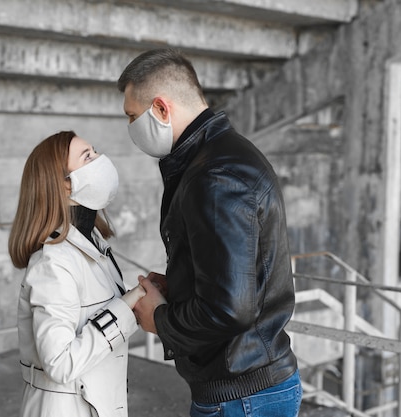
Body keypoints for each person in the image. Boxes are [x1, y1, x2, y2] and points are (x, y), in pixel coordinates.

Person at [117, 48, 302, 417]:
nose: (131, 128)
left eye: (132, 117)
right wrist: (180, 286)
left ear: (161, 109)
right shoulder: (220, 157)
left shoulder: (215, 176)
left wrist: (162, 321)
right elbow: (233, 279)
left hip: (241, 397)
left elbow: (229, 309)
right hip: (249, 388)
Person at [8, 131, 145, 417]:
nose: (100, 160)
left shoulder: (93, 244)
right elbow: (59, 363)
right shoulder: (53, 263)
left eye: (95, 152)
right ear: (65, 186)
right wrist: (126, 306)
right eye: (88, 156)